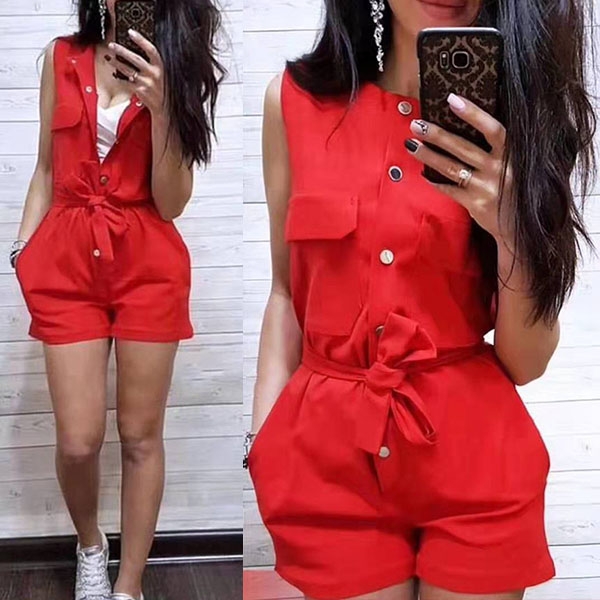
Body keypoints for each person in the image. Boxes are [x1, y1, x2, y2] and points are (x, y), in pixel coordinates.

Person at [245, 0, 597, 599]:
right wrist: (264, 440)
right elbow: (285, 293)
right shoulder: (294, 103)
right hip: (329, 466)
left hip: (474, 462)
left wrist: (511, 230)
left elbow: (526, 362)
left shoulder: (519, 123)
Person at [12, 1, 225, 599]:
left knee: (139, 434)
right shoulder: (61, 57)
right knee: (78, 441)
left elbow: (171, 202)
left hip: (147, 267)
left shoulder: (174, 68)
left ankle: (129, 585)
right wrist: (22, 251)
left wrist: (163, 108)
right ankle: (90, 546)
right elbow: (45, 169)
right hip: (66, 264)